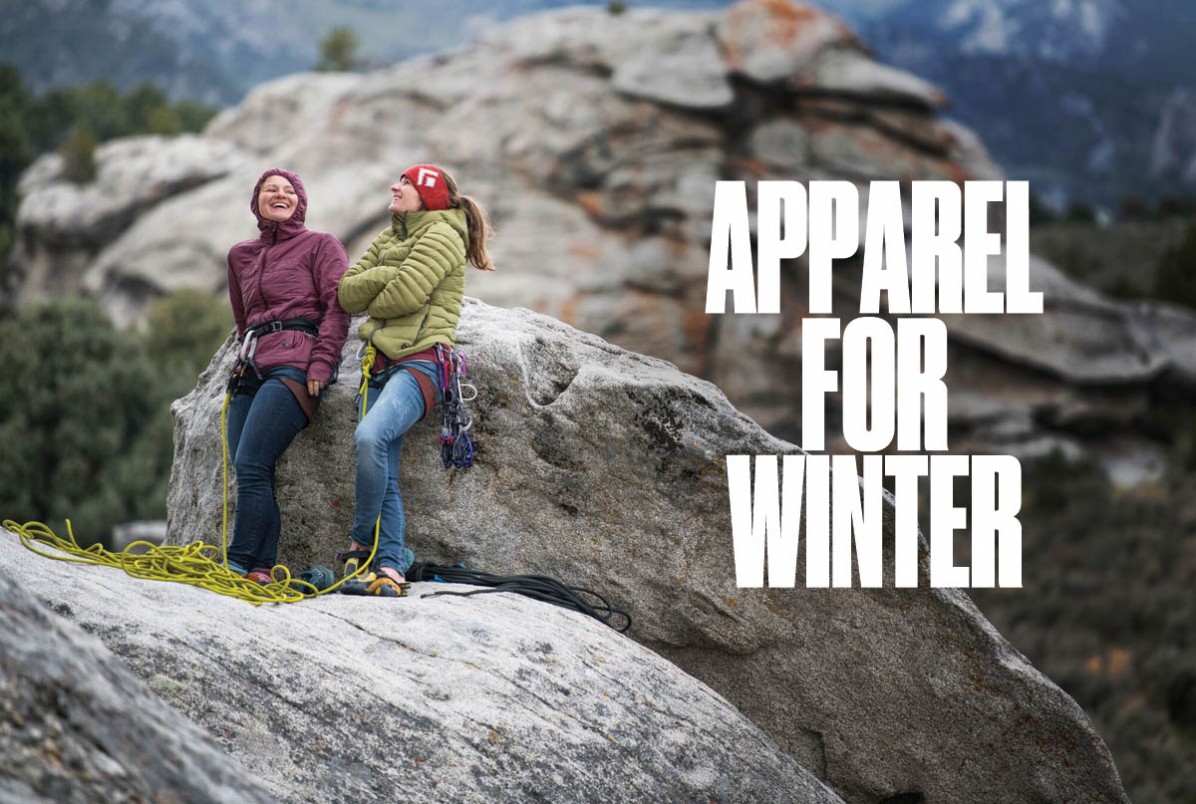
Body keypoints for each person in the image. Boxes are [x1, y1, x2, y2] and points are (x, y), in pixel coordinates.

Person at [337, 164, 493, 595]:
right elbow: (346, 294)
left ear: (427, 195)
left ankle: (358, 542)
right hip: (379, 363)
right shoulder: (393, 237)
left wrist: (385, 286)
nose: (395, 186)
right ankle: (388, 567)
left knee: (370, 438)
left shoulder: (444, 234)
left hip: (422, 363)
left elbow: (405, 296)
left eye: (405, 183)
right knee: (380, 458)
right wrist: (392, 274)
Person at [225, 168, 350, 582]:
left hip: (295, 365)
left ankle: (236, 563)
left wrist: (322, 363)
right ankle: (259, 569)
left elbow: (337, 307)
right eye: (269, 190)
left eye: (287, 190)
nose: (279, 194)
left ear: (300, 201)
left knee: (252, 462)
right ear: (256, 201)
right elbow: (244, 322)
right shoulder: (239, 256)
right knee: (250, 470)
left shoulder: (321, 245)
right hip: (250, 368)